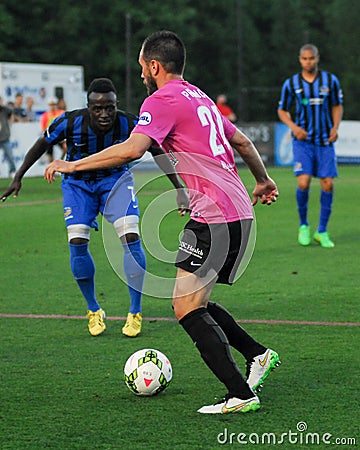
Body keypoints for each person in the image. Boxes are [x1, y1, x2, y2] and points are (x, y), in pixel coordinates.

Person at [44, 31, 280, 415]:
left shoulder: (162, 99)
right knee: (194, 301)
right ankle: (257, 355)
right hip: (236, 210)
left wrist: (72, 163)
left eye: (141, 66)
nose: (140, 74)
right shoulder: (199, 96)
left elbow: (132, 150)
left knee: (186, 308)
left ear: (154, 65)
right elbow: (243, 143)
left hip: (214, 214)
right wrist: (263, 180)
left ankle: (241, 394)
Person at [1, 77, 188, 338]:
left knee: (131, 235)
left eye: (109, 107)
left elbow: (157, 150)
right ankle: (93, 309)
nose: (104, 114)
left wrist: (179, 187)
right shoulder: (69, 121)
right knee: (77, 241)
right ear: (88, 106)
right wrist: (18, 176)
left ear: (116, 105)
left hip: (115, 181)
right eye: (97, 108)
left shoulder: (129, 123)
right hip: (78, 185)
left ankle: (135, 311)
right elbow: (42, 144)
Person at [278, 44, 343, 248]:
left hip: (324, 141)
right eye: (305, 59)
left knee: (328, 184)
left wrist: (335, 127)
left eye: (312, 59)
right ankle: (304, 225)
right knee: (303, 182)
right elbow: (282, 110)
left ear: (317, 58)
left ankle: (322, 230)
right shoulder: (292, 83)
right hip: (303, 142)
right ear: (300, 60)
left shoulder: (330, 81)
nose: (309, 62)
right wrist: (293, 126)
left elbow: (337, 105)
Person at [40, 96, 67, 161]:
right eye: (51, 105)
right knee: (50, 153)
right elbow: (43, 127)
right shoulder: (45, 115)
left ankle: (61, 160)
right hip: (50, 135)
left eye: (54, 104)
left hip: (60, 135)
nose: (52, 106)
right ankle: (51, 165)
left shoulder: (61, 113)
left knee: (65, 148)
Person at [0, 96, 17, 177]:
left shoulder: (4, 109)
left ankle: (12, 171)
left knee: (10, 156)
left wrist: (11, 122)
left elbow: (12, 112)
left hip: (5, 137)